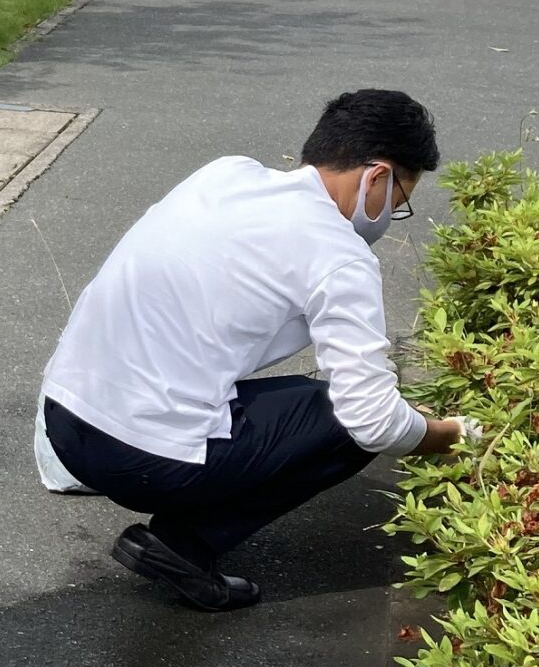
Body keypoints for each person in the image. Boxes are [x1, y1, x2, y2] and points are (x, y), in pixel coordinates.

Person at [34, 89, 472, 611]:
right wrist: (448, 434)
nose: (389, 215)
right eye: (398, 203)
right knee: (342, 420)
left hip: (64, 423)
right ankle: (185, 547)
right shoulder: (339, 253)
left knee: (303, 396)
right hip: (137, 459)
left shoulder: (226, 174)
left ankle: (169, 511)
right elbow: (371, 419)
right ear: (375, 176)